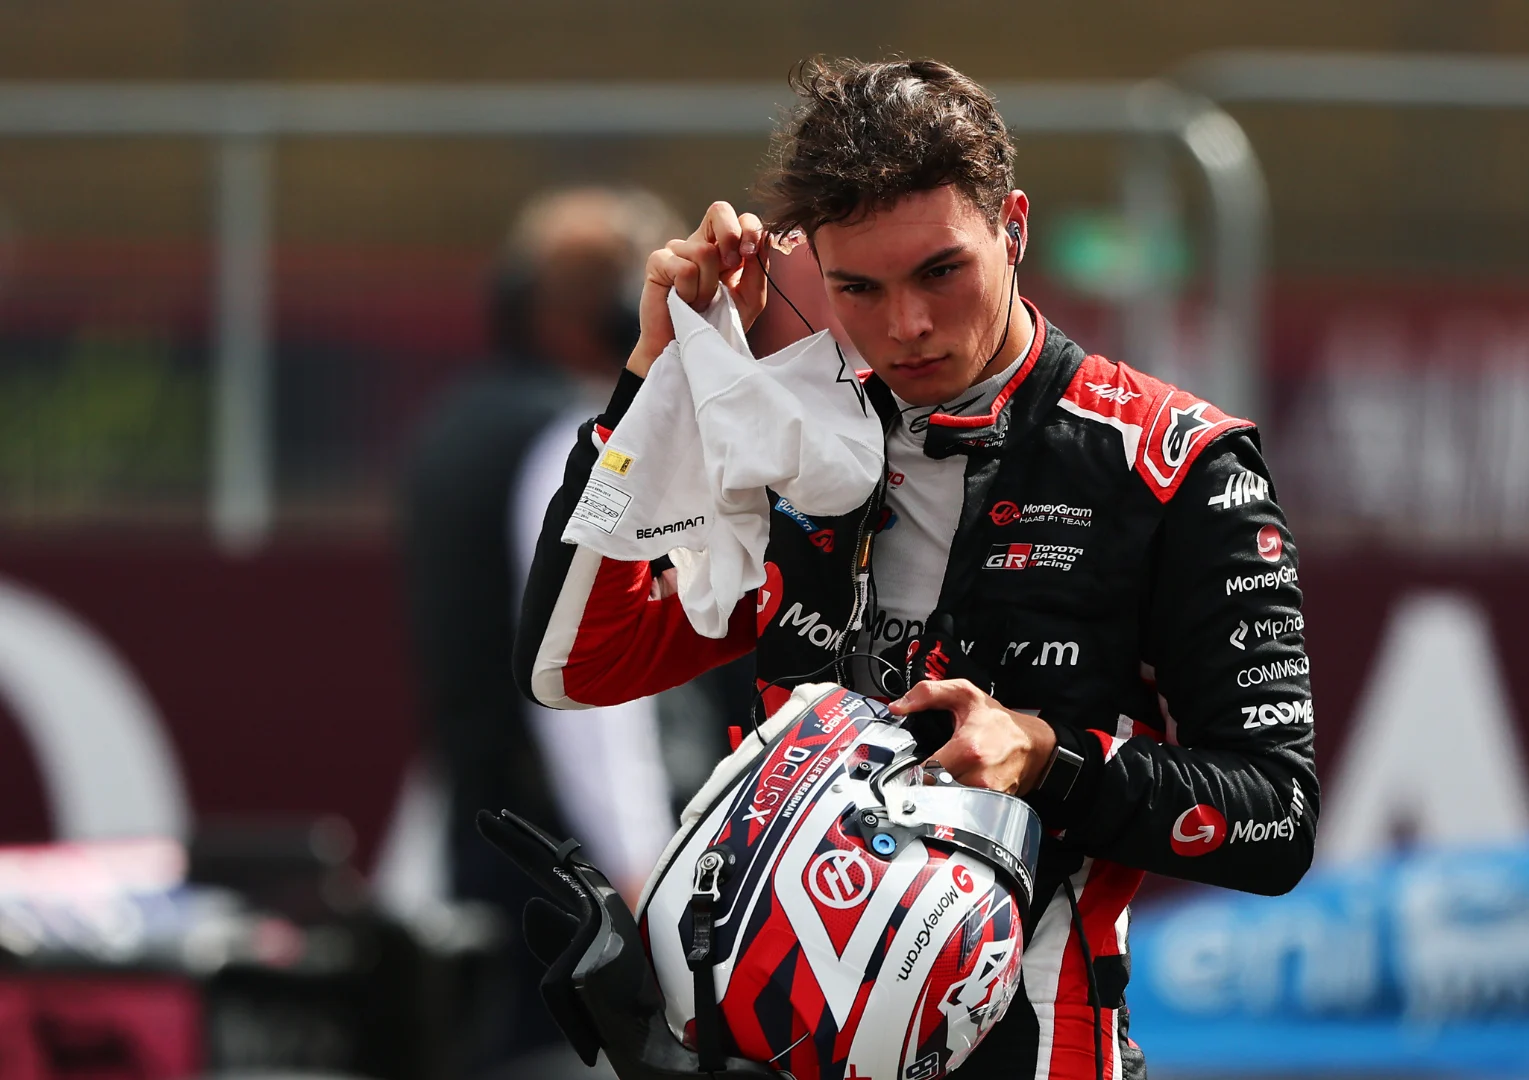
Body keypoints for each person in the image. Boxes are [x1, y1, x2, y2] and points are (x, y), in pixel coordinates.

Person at [513, 59, 1317, 1080]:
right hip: (775, 1048)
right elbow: (574, 664)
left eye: (941, 272)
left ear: (1012, 227)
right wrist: (654, 375)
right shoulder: (790, 443)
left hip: (1039, 1046)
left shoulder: (1170, 462)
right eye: (859, 288)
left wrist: (1039, 755)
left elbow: (1275, 818)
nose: (906, 327)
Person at [400, 186, 746, 1077]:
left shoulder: (452, 428)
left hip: (490, 850)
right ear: (587, 313)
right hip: (577, 880)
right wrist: (640, 882)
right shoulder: (565, 440)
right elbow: (585, 699)